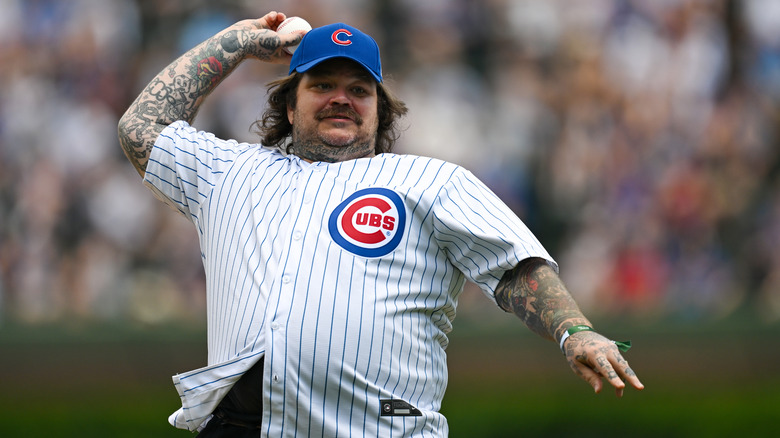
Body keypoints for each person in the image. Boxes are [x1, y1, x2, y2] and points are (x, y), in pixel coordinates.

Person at [118, 11, 643, 437]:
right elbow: (140, 127)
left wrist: (574, 330)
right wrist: (237, 43)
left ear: (380, 108)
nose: (341, 97)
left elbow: (513, 265)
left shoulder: (428, 180)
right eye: (321, 84)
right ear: (289, 103)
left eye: (359, 88)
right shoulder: (230, 173)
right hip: (242, 426)